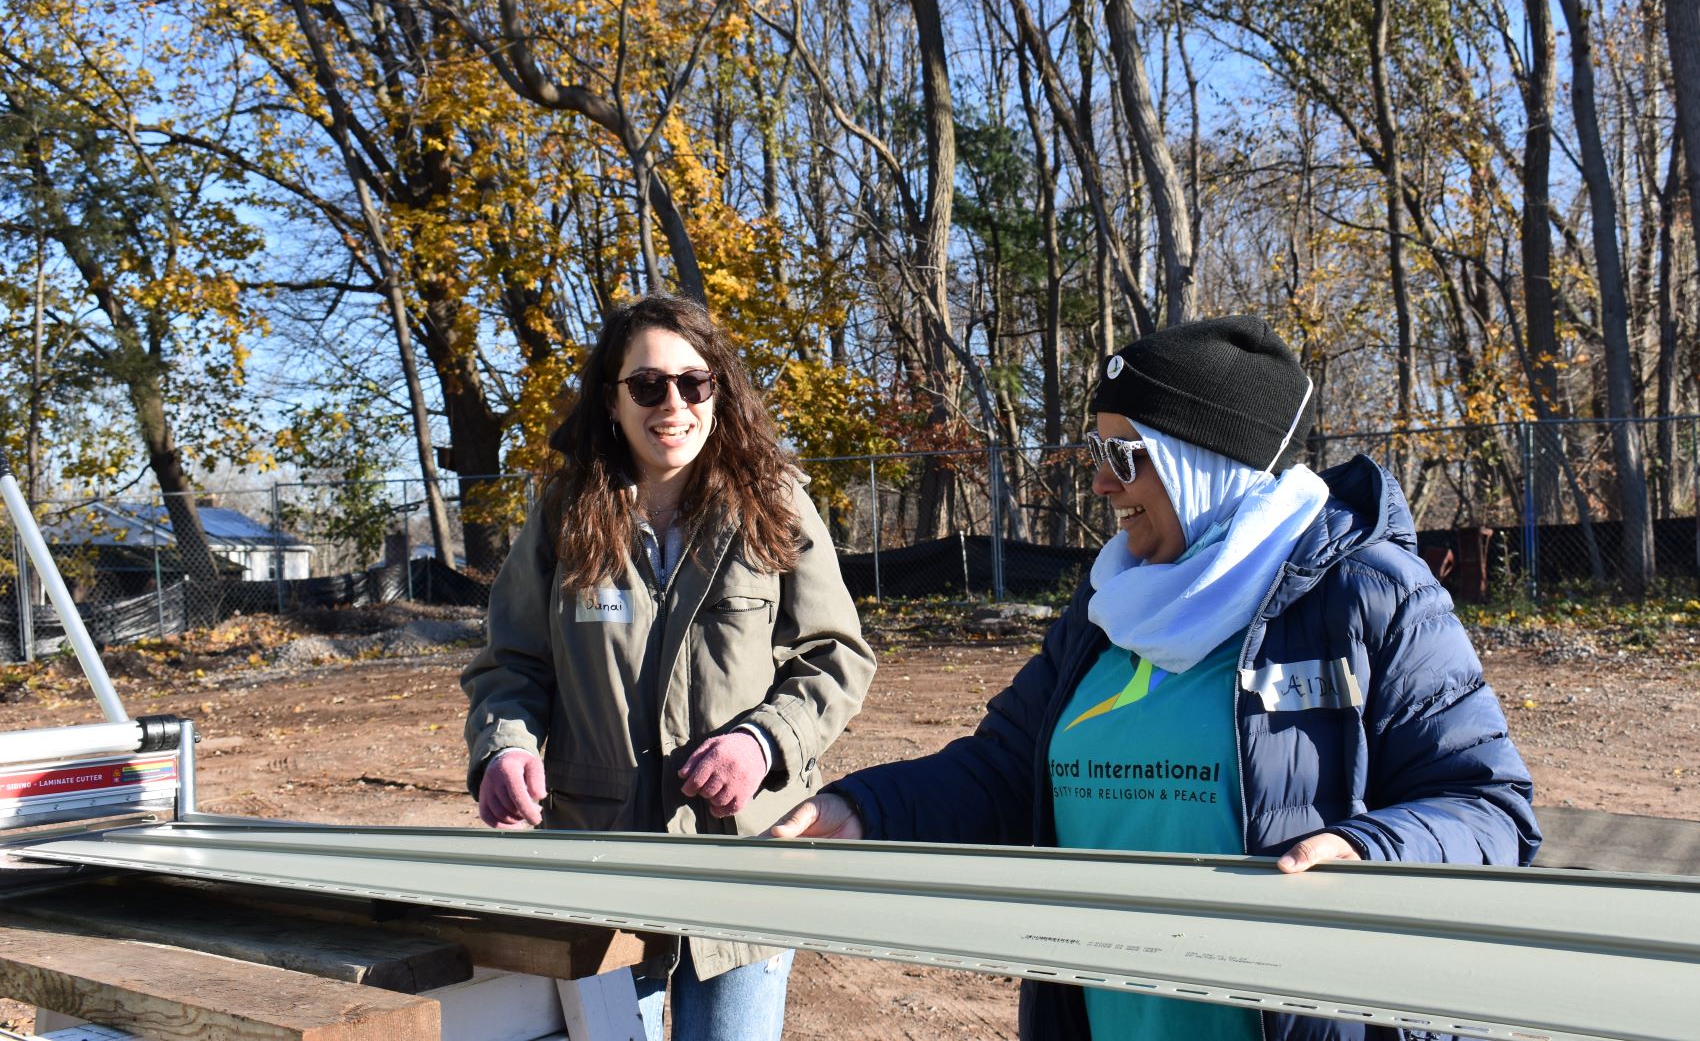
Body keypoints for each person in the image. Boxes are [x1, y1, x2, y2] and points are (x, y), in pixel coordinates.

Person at [772, 315, 1539, 1041]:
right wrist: (866, 806)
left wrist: (1371, 849)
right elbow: (1007, 769)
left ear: (1206, 463)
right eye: (1094, 455)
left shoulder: (1369, 592)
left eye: (1124, 457)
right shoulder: (1114, 601)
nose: (1100, 486)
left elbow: (1488, 808)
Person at [462, 294, 875, 1041]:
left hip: (746, 859)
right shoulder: (566, 513)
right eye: (647, 386)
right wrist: (506, 748)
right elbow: (512, 663)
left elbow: (835, 657)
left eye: (694, 382)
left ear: (719, 390)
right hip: (599, 860)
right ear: (613, 400)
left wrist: (764, 742)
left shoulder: (773, 506)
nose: (672, 404)